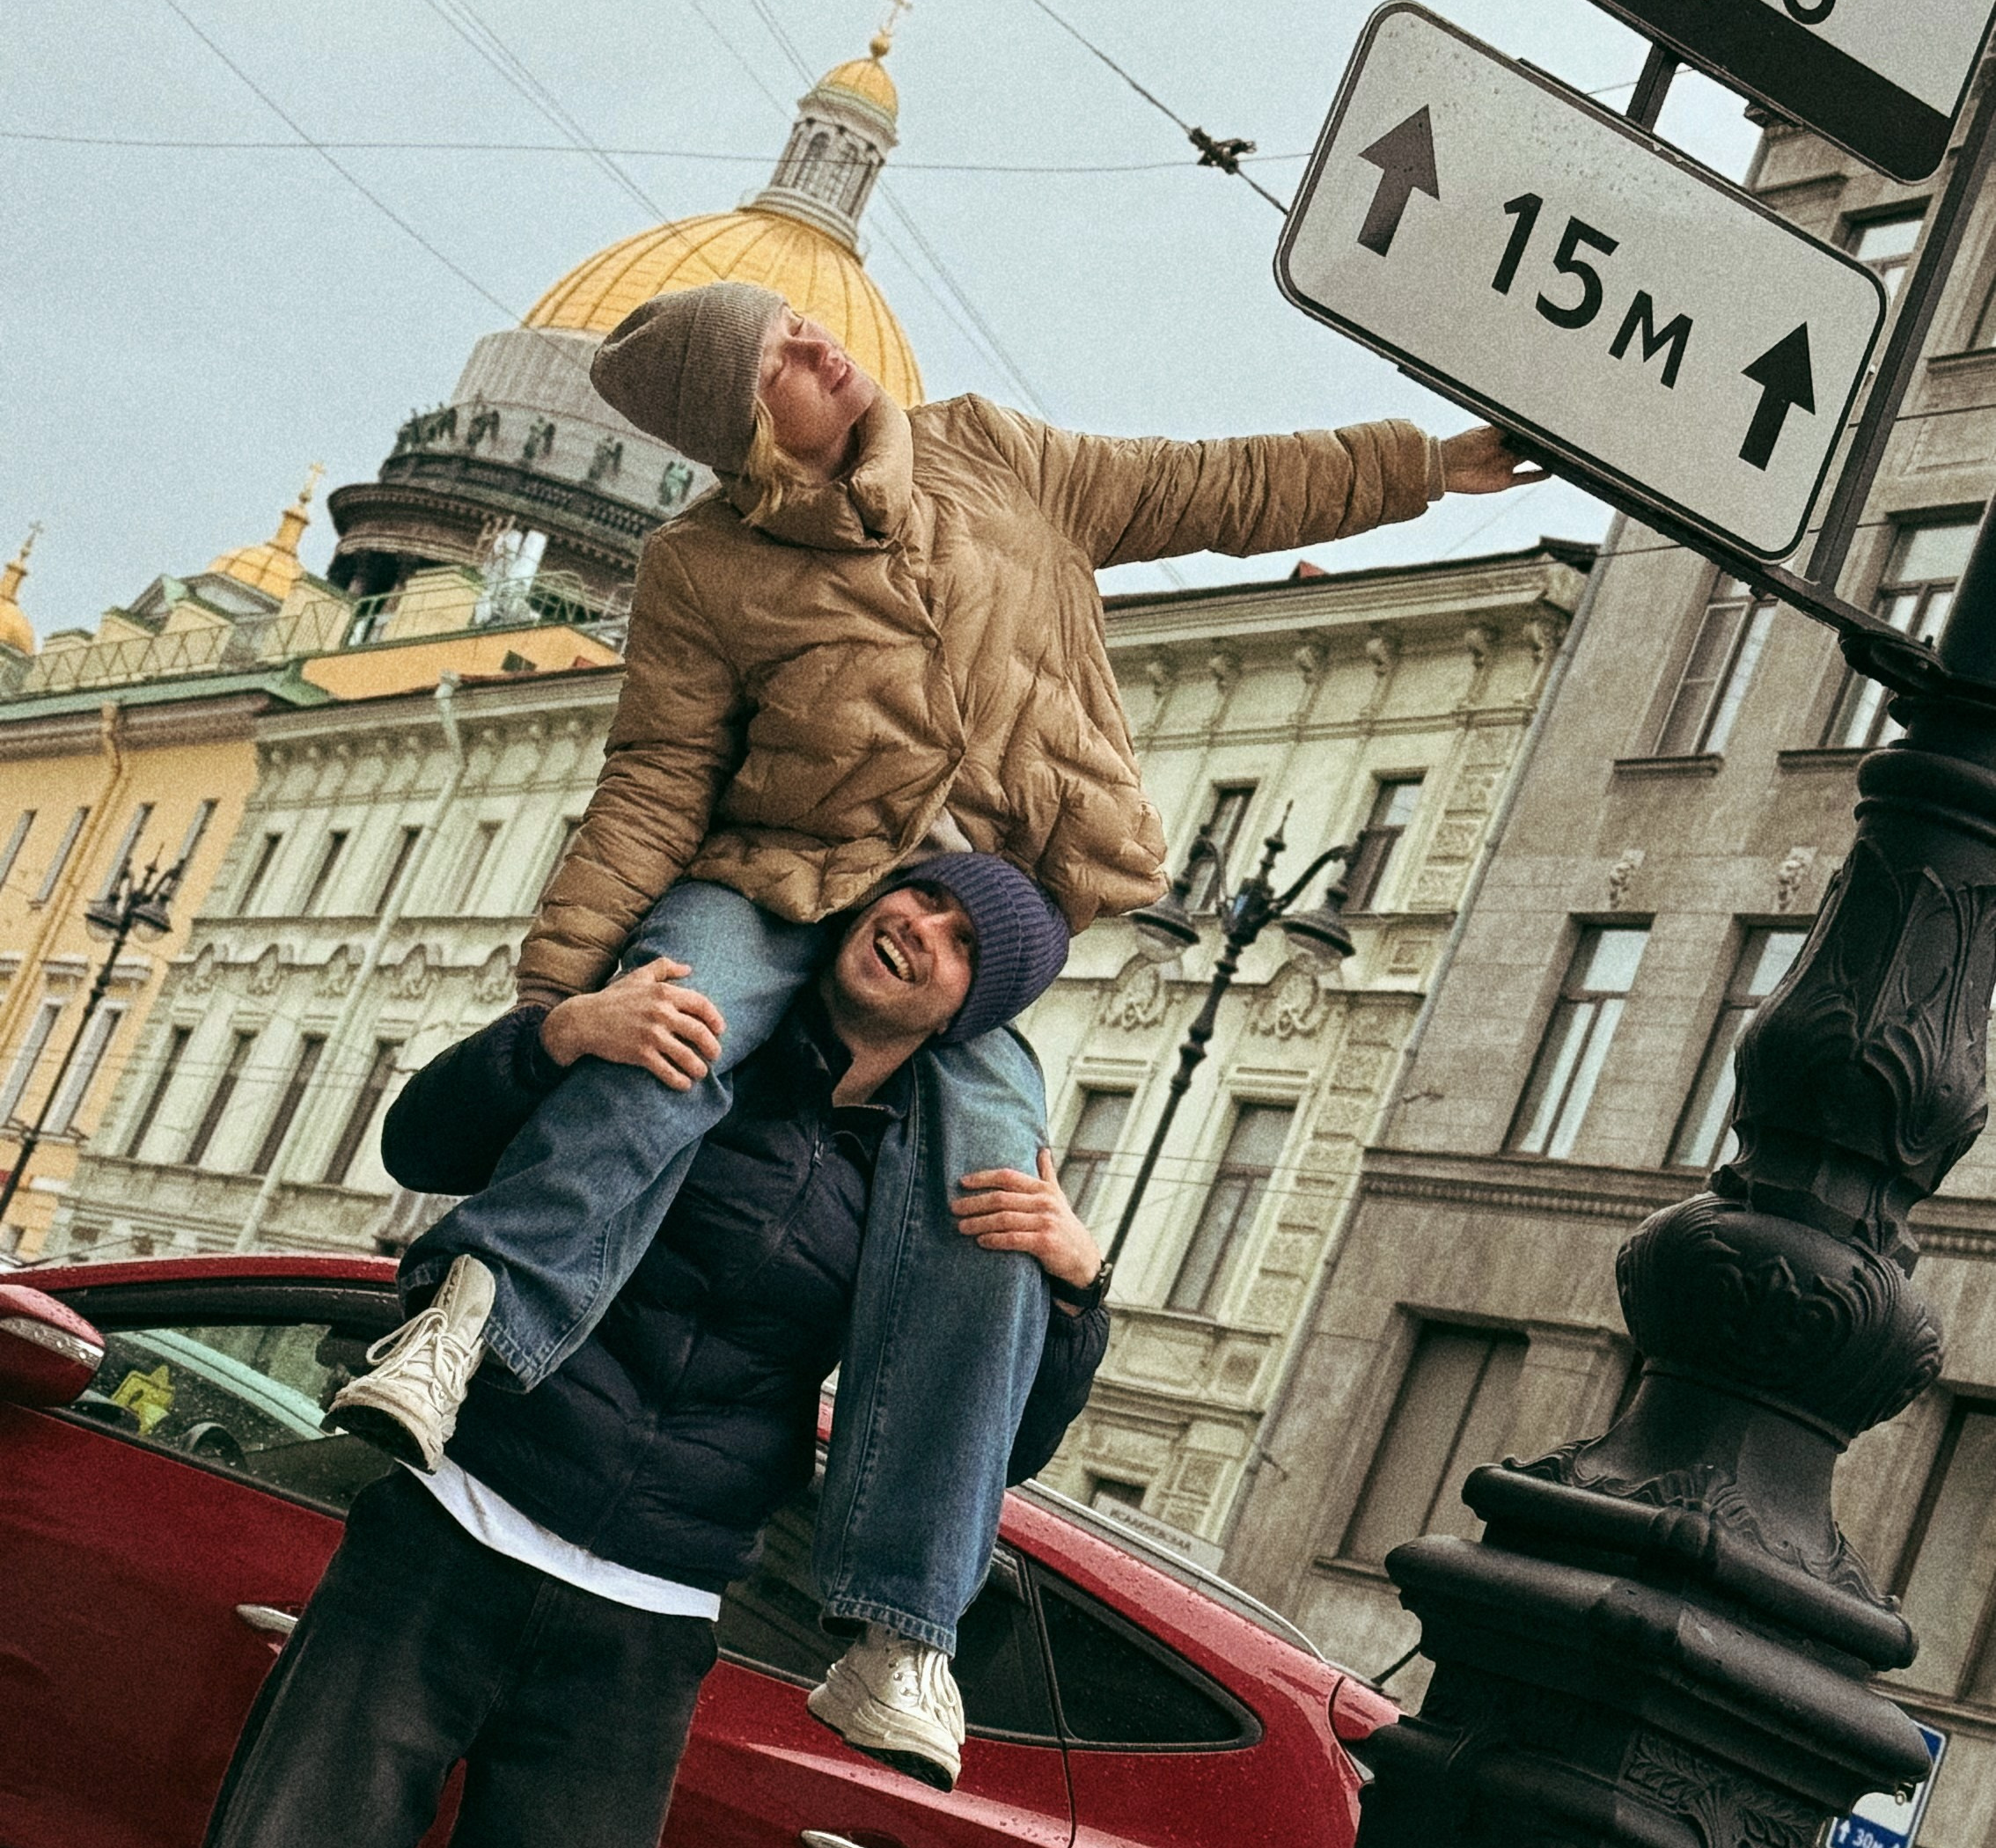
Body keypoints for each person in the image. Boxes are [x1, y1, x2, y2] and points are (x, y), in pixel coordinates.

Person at [332, 283, 1532, 1766]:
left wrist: (1421, 466)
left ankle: (900, 1631)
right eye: (774, 357)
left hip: (998, 895)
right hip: (788, 881)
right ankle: (467, 1327)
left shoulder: (994, 457)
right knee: (673, 1016)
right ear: (742, 427)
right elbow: (652, 780)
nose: (816, 342)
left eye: (796, 327)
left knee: (994, 1205)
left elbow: (1211, 486)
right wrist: (564, 1008)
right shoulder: (702, 567)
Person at [27, 861, 1106, 1848]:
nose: (921, 933)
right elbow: (420, 1142)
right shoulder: (694, 1018)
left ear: (986, 1006)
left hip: (647, 1623)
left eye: (968, 945)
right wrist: (562, 1035)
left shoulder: (934, 1172)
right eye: (913, 899)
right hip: (448, 1534)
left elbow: (983, 1440)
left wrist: (1075, 1293)